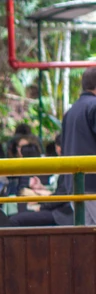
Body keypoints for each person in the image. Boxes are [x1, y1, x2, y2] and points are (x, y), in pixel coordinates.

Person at [58, 66, 96, 225]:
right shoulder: (93, 106)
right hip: (92, 184)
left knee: (88, 237)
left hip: (75, 184)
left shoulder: (71, 111)